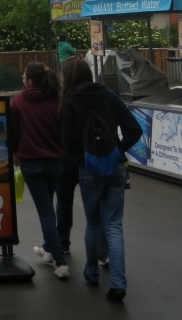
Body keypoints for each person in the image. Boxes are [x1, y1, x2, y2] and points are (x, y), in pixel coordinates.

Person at [62, 62, 143, 303]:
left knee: (93, 224)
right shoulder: (109, 95)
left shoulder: (69, 102)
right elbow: (134, 130)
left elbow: (67, 144)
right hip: (116, 167)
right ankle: (118, 282)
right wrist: (117, 150)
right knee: (114, 225)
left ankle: (92, 271)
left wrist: (84, 157)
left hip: (89, 170)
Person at [10, 62, 68, 279]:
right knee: (48, 208)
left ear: (30, 80)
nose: (23, 80)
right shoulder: (56, 100)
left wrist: (16, 153)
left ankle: (60, 260)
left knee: (45, 211)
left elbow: (14, 133)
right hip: (54, 162)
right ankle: (48, 247)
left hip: (30, 162)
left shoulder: (18, 102)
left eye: (24, 77)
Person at [56, 57, 107, 261]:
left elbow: (66, 137)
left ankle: (63, 242)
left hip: (70, 160)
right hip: (95, 158)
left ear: (67, 77)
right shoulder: (104, 95)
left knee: (64, 203)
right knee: (96, 208)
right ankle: (103, 252)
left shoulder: (67, 101)